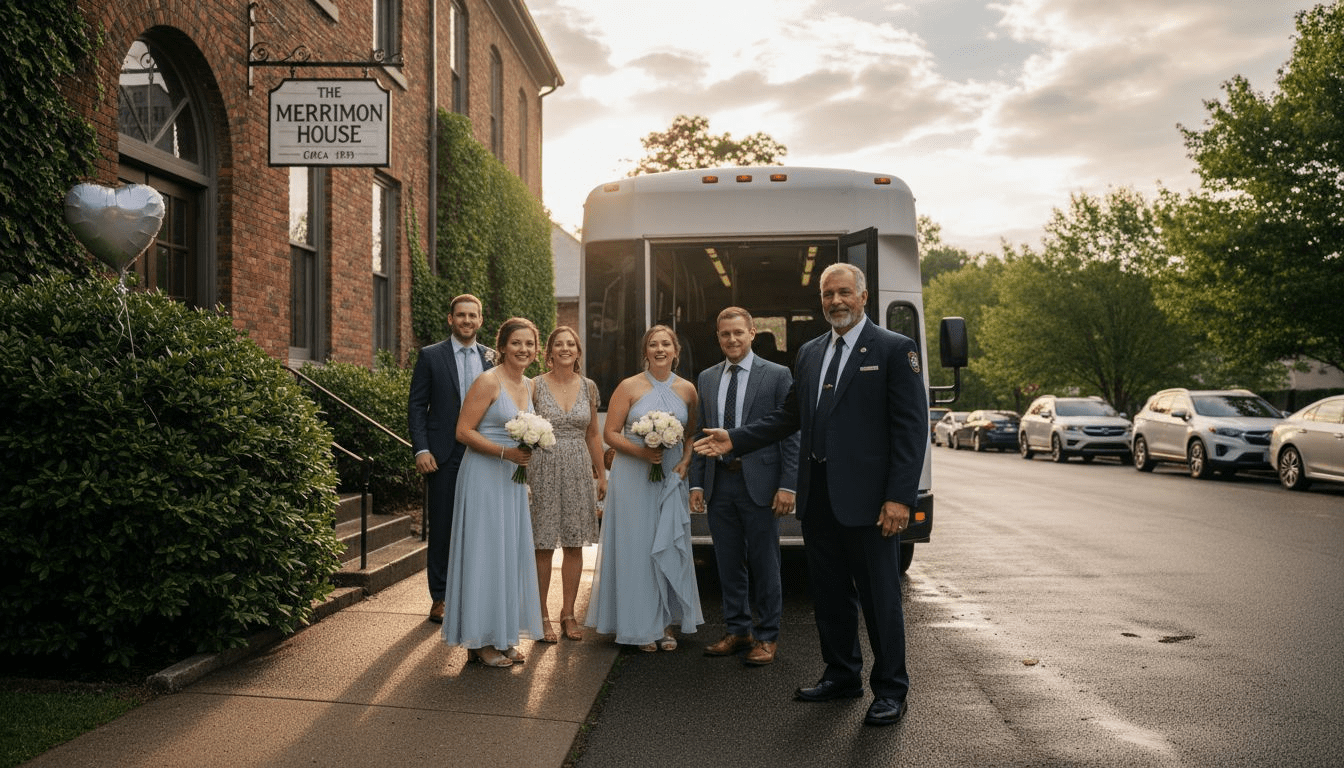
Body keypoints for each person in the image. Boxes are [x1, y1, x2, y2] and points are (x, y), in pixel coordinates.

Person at [693, 263, 927, 727]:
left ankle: (890, 690)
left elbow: (910, 430)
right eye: (828, 294)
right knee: (831, 595)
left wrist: (899, 497)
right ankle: (842, 675)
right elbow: (789, 418)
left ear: (862, 296)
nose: (835, 301)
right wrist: (735, 439)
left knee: (880, 599)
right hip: (819, 501)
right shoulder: (812, 352)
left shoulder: (894, 349)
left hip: (871, 504)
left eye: (844, 293)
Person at [689, 307, 799, 666]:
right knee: (727, 562)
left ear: (753, 332)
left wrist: (788, 485)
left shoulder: (778, 375)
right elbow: (701, 433)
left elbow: (790, 433)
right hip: (720, 484)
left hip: (762, 485)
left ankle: (767, 637)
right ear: (717, 338)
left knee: (765, 562)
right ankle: (738, 631)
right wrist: (697, 484)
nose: (732, 340)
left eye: (738, 332)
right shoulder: (706, 378)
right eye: (725, 334)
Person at [587, 325, 704, 652]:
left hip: (669, 476)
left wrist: (685, 462)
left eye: (666, 344)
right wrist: (641, 451)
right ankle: (638, 625)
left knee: (666, 544)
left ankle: (665, 623)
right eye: (653, 344)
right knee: (637, 547)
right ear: (645, 352)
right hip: (632, 473)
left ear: (676, 351)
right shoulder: (628, 386)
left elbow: (692, 433)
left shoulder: (688, 390)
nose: (660, 349)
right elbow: (610, 432)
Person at [441, 317, 545, 667]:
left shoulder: (529, 386)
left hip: (512, 479)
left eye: (529, 344)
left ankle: (502, 635)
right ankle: (480, 641)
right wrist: (505, 453)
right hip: (484, 475)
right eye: (516, 343)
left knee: (507, 554)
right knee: (484, 553)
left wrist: (523, 455)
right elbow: (463, 431)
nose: (523, 349)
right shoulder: (487, 381)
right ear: (501, 346)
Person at [408, 294, 495, 624]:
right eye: (461, 315)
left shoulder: (492, 358)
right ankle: (441, 597)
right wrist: (422, 449)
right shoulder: (431, 356)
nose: (467, 320)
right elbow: (417, 406)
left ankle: (474, 593)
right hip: (443, 454)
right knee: (442, 527)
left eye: (473, 315)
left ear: (481, 320)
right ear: (450, 319)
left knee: (480, 525)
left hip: (483, 450)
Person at [529, 326, 607, 643]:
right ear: (549, 352)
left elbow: (593, 434)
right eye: (559, 344)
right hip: (542, 466)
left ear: (578, 352)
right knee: (543, 543)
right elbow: (523, 429)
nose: (565, 348)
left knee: (575, 543)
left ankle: (569, 613)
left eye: (570, 344)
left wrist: (602, 474)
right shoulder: (533, 386)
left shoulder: (588, 387)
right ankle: (542, 615)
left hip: (577, 468)